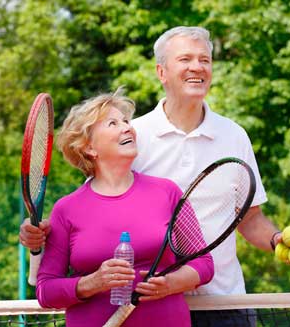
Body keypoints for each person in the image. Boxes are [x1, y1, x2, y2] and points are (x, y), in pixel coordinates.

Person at [21, 26, 290, 326]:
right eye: (185, 59)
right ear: (161, 72)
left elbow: (249, 218)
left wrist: (276, 239)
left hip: (225, 302)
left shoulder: (234, 136)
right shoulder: (132, 136)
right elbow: (99, 208)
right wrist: (45, 235)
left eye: (205, 60)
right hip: (149, 308)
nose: (197, 67)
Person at [34, 89, 214, 327]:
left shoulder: (167, 193)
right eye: (113, 123)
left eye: (126, 121)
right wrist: (92, 282)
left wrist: (170, 283)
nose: (127, 127)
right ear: (89, 148)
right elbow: (46, 290)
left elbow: (203, 264)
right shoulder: (66, 208)